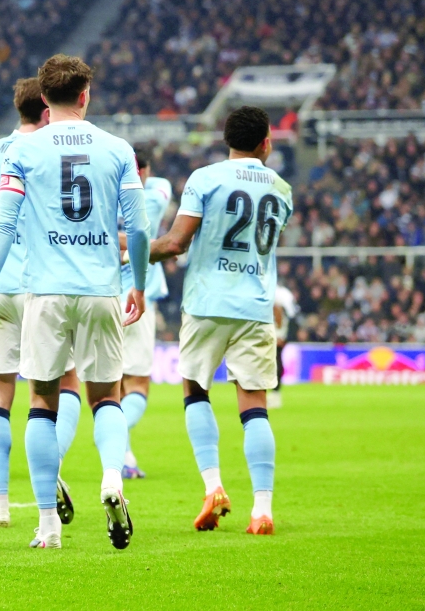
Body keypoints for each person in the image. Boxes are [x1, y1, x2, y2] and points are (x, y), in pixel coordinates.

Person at [0, 54, 151, 551]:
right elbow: (136, 227)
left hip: (45, 293)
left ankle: (48, 524)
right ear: (85, 96)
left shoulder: (22, 151)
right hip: (101, 290)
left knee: (42, 404)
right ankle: (112, 479)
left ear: (44, 101)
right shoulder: (116, 148)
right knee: (105, 398)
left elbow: (3, 226)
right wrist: (137, 281)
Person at [149, 106, 292, 536]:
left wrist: (129, 249)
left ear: (226, 139)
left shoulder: (205, 178)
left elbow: (175, 244)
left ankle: (213, 487)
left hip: (207, 302)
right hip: (255, 306)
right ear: (266, 142)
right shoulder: (282, 188)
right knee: (255, 406)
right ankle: (262, 510)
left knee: (195, 390)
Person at [0, 77, 79, 528]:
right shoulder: (51, 153)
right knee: (62, 384)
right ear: (49, 109)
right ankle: (50, 468)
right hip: (38, 283)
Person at [118, 146, 172, 479]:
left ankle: (125, 456)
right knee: (137, 383)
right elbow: (142, 235)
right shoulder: (155, 190)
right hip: (136, 295)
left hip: (100, 292)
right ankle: (114, 440)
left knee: (112, 385)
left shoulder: (102, 189)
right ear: (145, 170)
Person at [269, 284, 298, 409]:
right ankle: (274, 394)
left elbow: (279, 314)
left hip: (276, 334)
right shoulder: (284, 293)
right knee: (276, 361)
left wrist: (279, 334)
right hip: (278, 333)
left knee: (275, 361)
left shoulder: (275, 295)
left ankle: (274, 394)